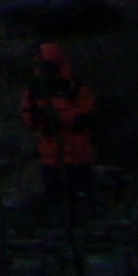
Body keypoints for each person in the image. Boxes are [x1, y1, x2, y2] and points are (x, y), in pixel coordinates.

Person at [19, 43, 96, 228]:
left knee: (81, 206)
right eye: (41, 67)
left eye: (48, 67)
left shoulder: (75, 86)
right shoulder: (34, 89)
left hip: (77, 157)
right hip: (50, 159)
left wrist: (60, 117)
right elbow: (28, 120)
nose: (45, 71)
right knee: (56, 205)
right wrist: (39, 116)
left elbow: (87, 115)